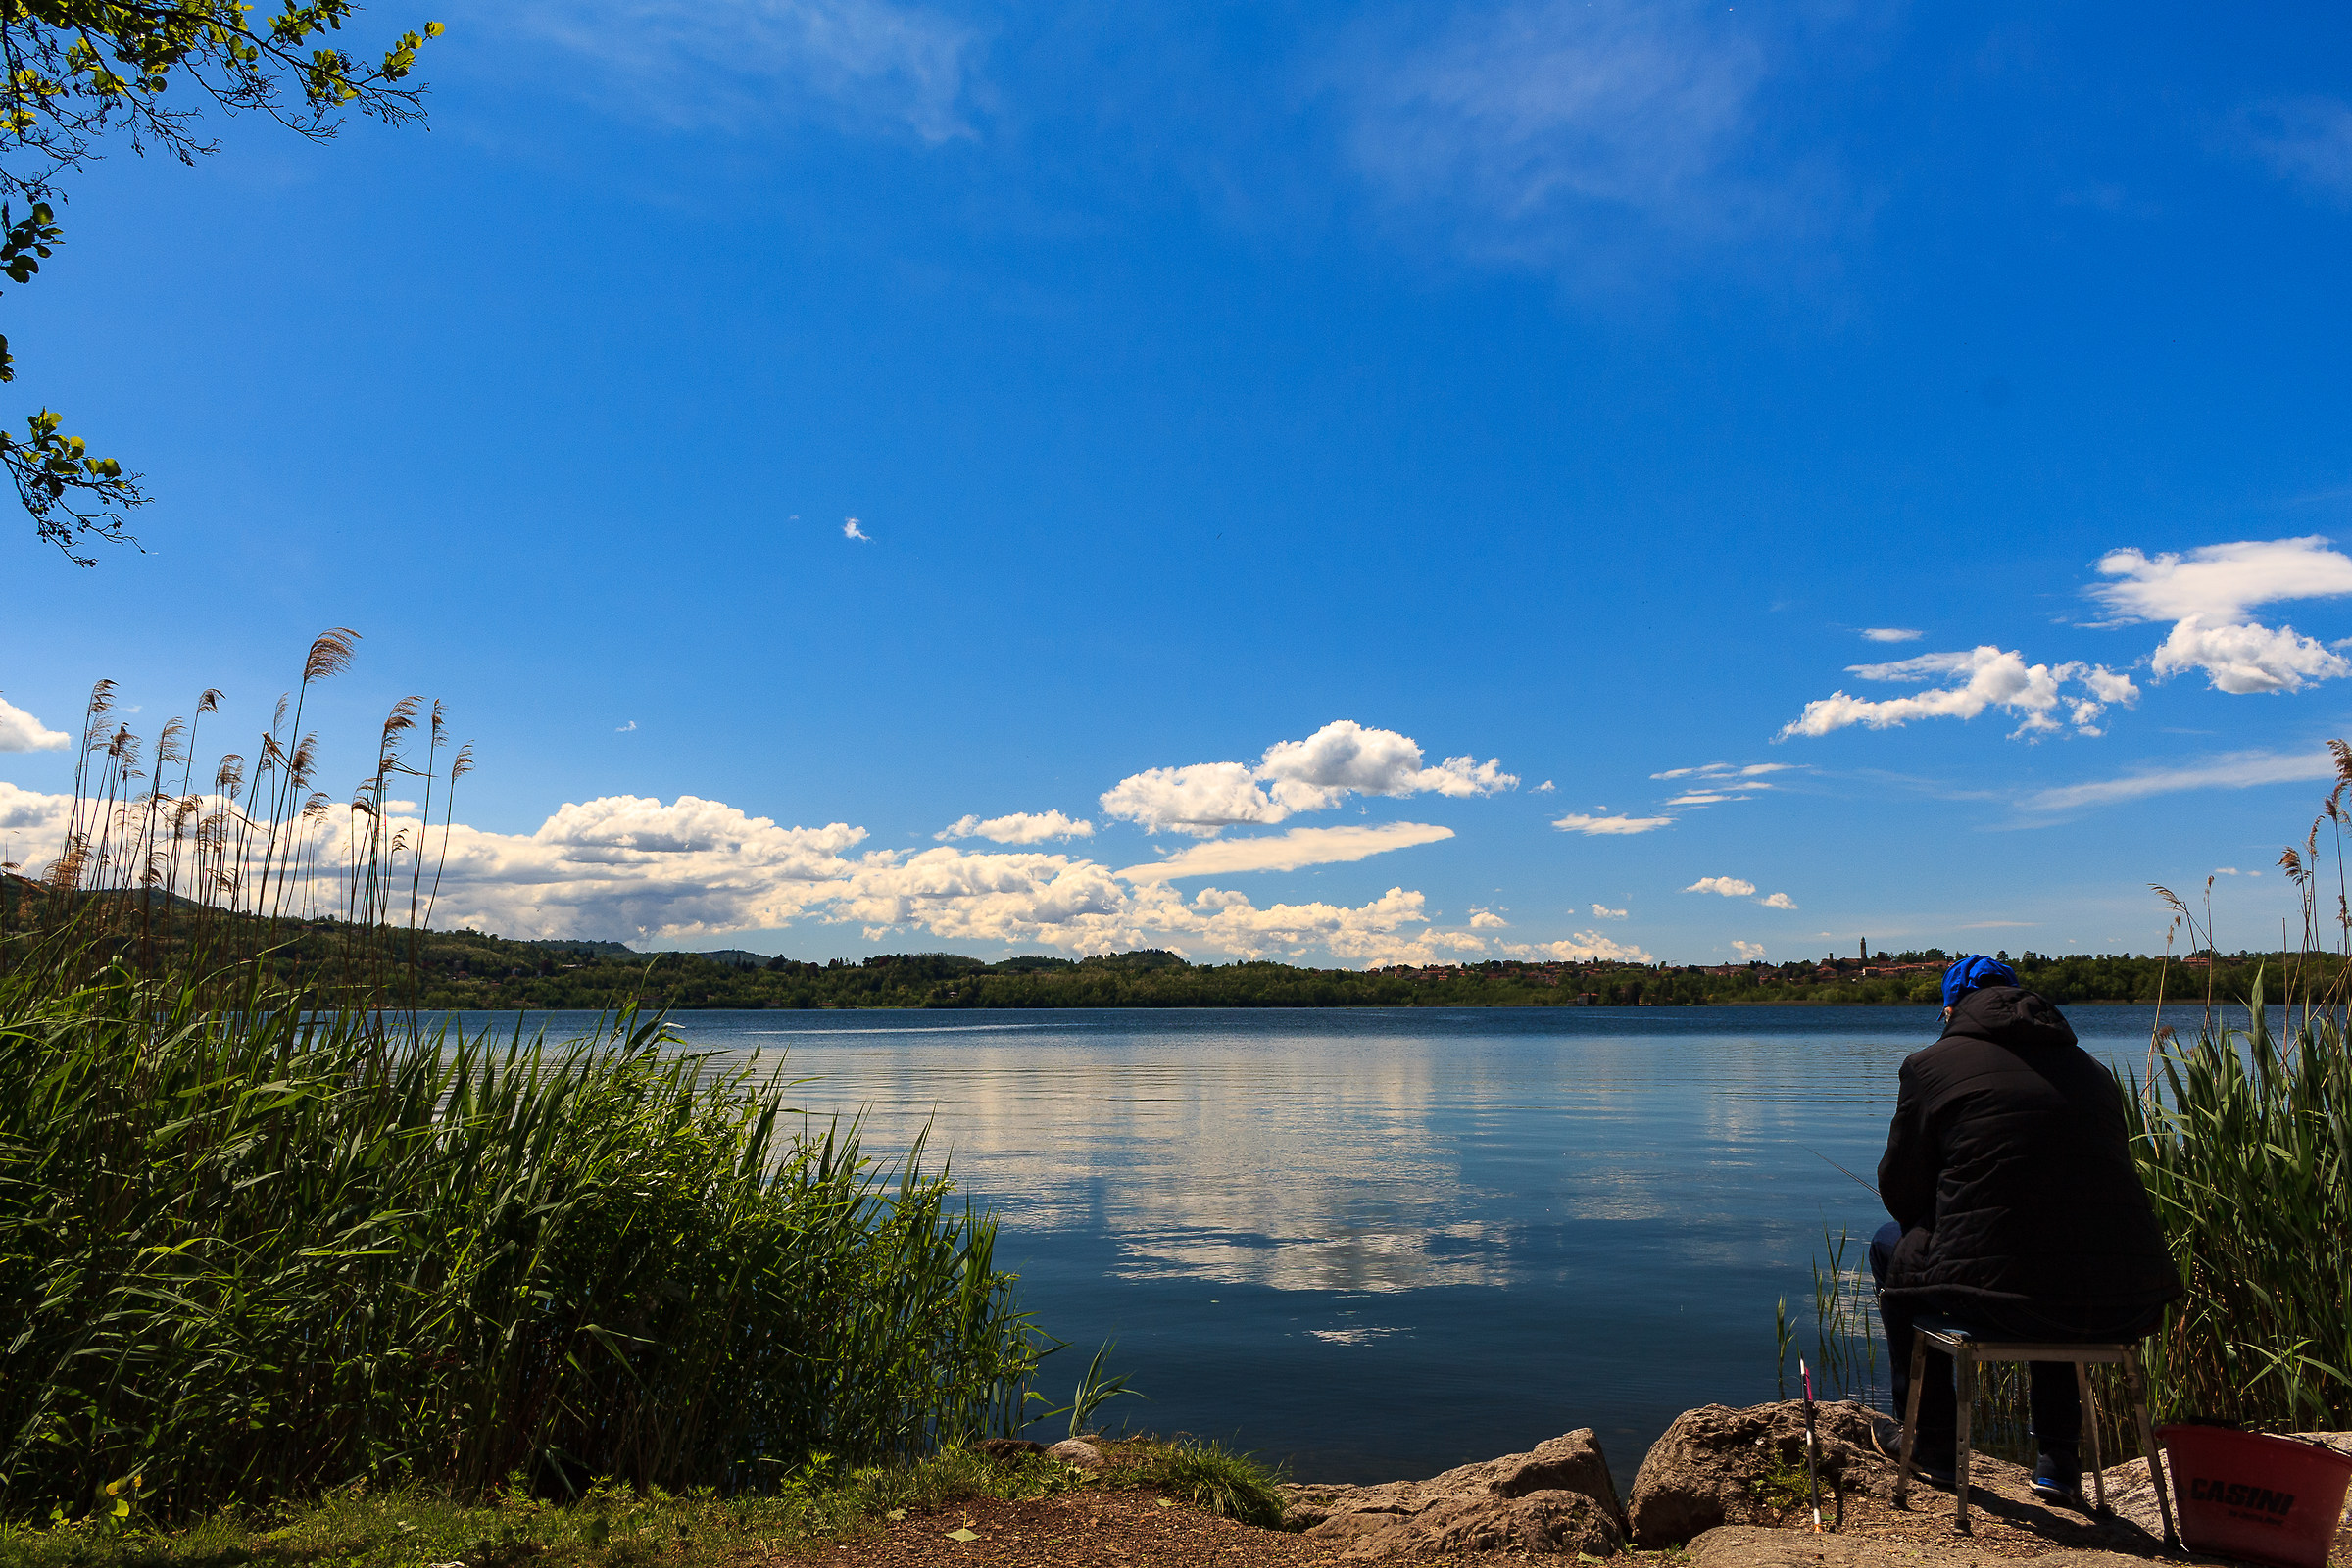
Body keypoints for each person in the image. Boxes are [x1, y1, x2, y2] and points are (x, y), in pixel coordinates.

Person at [1868, 956, 2179, 1503]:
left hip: (2001, 1300)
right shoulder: (2093, 1071)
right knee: (2054, 1253)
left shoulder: (1930, 1066)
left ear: (1949, 1008)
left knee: (1889, 1245)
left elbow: (1901, 1193)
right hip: (2124, 1300)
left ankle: (1933, 1444)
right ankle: (2059, 1461)